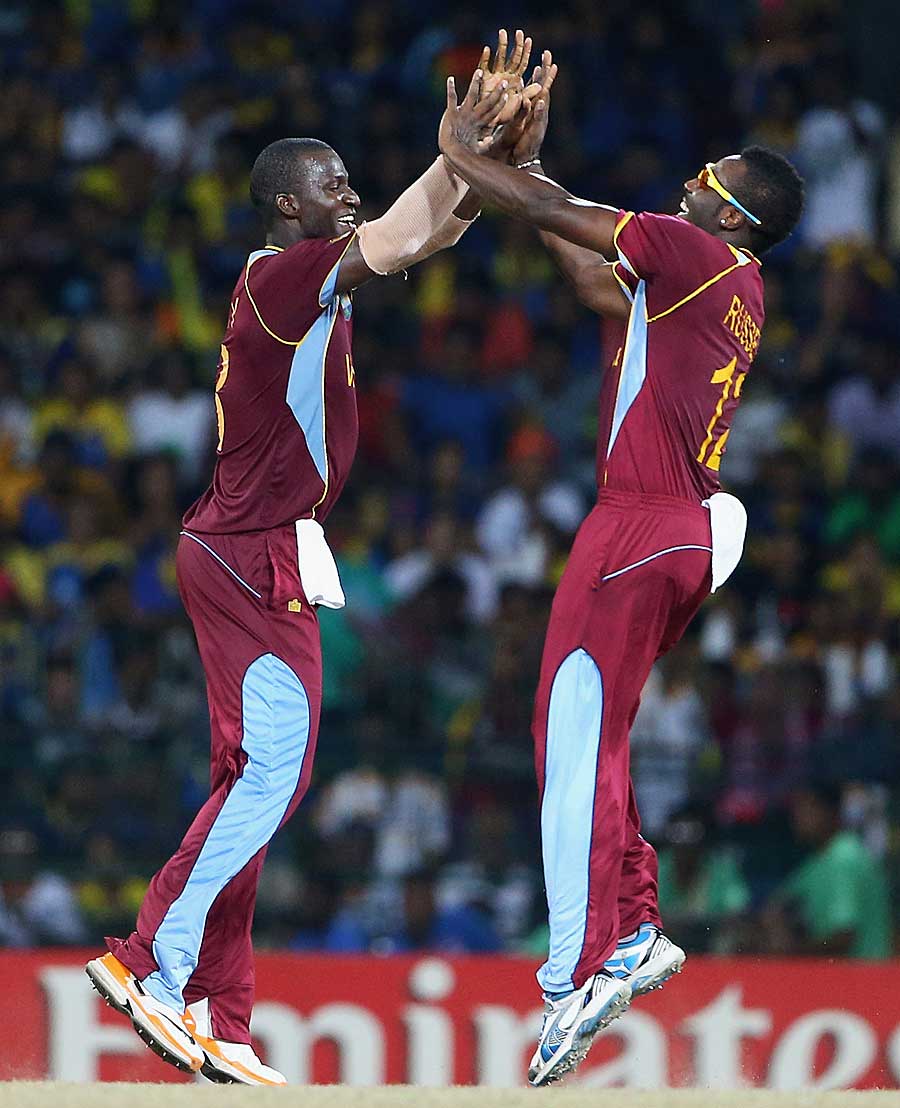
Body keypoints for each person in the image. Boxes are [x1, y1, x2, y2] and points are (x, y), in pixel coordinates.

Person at [83, 54, 524, 1086]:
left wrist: (486, 164)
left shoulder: (309, 281)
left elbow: (433, 231)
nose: (350, 194)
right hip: (253, 548)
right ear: (289, 203)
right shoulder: (283, 275)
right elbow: (404, 233)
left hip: (249, 542)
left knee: (249, 782)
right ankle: (148, 961)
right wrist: (458, 151)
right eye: (334, 184)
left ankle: (220, 1012)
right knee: (275, 775)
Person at [438, 50, 805, 1085]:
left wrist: (461, 152)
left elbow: (549, 212)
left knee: (569, 736)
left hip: (639, 524)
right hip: (673, 528)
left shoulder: (694, 250)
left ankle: (578, 968)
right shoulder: (726, 284)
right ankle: (632, 926)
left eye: (709, 176)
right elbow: (594, 280)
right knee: (592, 738)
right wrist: (528, 163)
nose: (691, 178)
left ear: (732, 214)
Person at [761, 782, 891, 960]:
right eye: (796, 809)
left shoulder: (844, 858)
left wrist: (788, 954)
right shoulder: (819, 859)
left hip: (863, 973)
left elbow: (843, 938)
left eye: (807, 808)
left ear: (831, 811)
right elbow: (776, 905)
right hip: (838, 973)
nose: (797, 817)